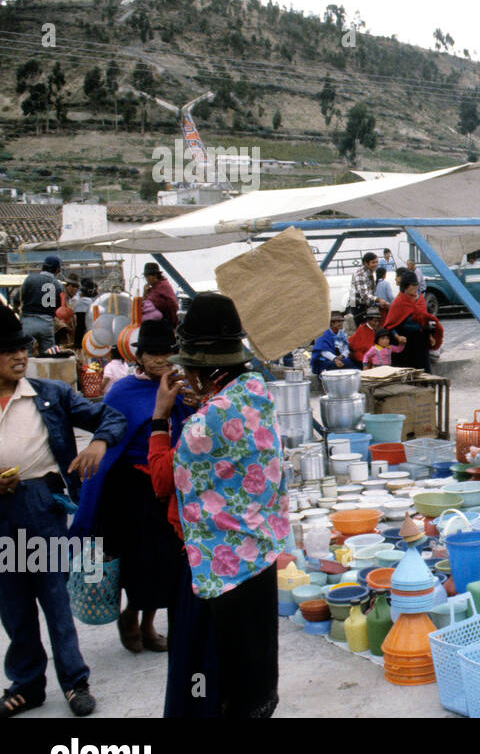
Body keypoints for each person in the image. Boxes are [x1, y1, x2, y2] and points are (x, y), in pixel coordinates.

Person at [146, 293, 289, 717]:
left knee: (210, 677)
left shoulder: (202, 423)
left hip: (215, 569)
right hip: (258, 558)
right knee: (255, 665)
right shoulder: (255, 391)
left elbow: (160, 481)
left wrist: (159, 416)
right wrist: (205, 402)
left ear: (202, 366)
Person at [0, 303, 127, 717]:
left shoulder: (48, 395)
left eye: (22, 349)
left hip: (41, 508)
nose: (21, 356)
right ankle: (26, 684)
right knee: (13, 604)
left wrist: (98, 443)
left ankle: (74, 682)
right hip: (1, 515)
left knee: (55, 598)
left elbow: (111, 416)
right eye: (8, 351)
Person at [70, 320, 193, 655]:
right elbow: (108, 434)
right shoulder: (123, 392)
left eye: (167, 353)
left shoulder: (180, 387)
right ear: (140, 357)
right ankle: (131, 616)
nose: (161, 360)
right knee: (135, 558)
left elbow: (188, 427)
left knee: (163, 558)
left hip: (165, 482)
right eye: (153, 353)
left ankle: (149, 622)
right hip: (130, 487)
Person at [385, 275, 443, 372]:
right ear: (405, 287)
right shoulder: (398, 302)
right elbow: (390, 325)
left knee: (424, 369)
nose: (415, 288)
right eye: (412, 285)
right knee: (409, 372)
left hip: (420, 341)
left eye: (416, 285)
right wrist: (397, 337)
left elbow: (425, 321)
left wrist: (430, 336)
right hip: (406, 344)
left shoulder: (420, 300)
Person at [19, 255, 62, 354]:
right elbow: (59, 308)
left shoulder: (30, 279)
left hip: (28, 321)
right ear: (57, 269)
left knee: (26, 355)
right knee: (48, 355)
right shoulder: (57, 285)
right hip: (47, 323)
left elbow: (20, 298)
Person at [311, 311, 359, 376]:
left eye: (341, 321)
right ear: (332, 323)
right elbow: (324, 351)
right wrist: (335, 359)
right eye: (338, 322)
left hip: (339, 359)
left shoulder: (341, 334)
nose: (341, 323)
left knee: (350, 362)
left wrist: (342, 356)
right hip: (325, 361)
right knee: (347, 363)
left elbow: (346, 349)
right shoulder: (324, 334)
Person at [141, 262, 180, 326]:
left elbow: (172, 305)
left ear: (155, 275)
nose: (147, 279)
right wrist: (145, 293)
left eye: (148, 276)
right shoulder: (154, 288)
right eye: (146, 277)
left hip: (165, 323)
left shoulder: (162, 286)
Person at [348, 253, 380, 323]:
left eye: (377, 262)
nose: (376, 264)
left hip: (364, 305)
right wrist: (378, 300)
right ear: (366, 263)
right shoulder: (361, 274)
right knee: (362, 328)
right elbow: (364, 296)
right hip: (358, 306)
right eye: (373, 262)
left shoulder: (369, 272)